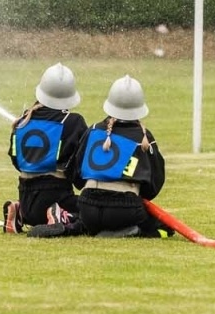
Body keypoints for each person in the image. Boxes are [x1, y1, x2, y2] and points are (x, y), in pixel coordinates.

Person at [72, 75, 168, 239]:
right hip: (125, 210)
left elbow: (77, 176)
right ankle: (130, 230)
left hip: (87, 207)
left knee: (87, 217)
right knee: (163, 228)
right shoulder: (144, 138)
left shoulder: (93, 130)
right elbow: (154, 184)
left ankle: (89, 226)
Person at [3, 63, 88, 234]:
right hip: (56, 196)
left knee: (33, 210)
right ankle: (60, 215)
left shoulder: (23, 120)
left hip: (25, 195)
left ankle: (19, 212)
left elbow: (16, 161)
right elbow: (80, 164)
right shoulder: (73, 121)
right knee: (90, 212)